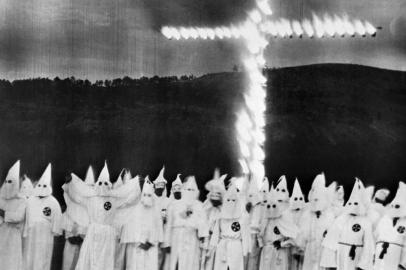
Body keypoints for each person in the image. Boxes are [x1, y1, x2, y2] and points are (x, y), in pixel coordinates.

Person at [63, 161, 141, 270]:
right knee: (90, 258)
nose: (102, 186)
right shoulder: (90, 199)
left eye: (105, 183)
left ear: (109, 185)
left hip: (108, 234)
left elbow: (128, 200)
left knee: (105, 261)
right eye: (100, 183)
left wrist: (136, 185)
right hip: (93, 231)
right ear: (96, 184)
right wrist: (71, 183)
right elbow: (76, 198)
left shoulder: (114, 200)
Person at [321, 178, 375, 270]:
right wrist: (330, 263)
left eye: (356, 203)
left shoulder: (365, 222)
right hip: (340, 255)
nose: (353, 206)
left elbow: (368, 245)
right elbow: (331, 242)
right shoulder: (341, 219)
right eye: (351, 203)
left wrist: (363, 265)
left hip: (356, 257)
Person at [163, 176, 209, 270]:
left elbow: (203, 224)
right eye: (188, 189)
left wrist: (202, 237)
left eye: (192, 190)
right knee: (175, 262)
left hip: (191, 237)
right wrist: (167, 243)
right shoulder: (174, 205)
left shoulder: (199, 206)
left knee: (190, 262)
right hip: (176, 236)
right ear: (183, 190)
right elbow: (169, 225)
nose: (190, 192)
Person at [24, 163, 63, 270]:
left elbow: (57, 219)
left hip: (45, 235)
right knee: (29, 256)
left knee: (42, 257)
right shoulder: (30, 200)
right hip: (31, 233)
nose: (41, 188)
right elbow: (26, 217)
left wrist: (55, 230)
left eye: (44, 186)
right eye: (40, 185)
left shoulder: (53, 202)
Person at [121, 179, 164, 270]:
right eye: (144, 195)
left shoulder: (156, 210)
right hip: (136, 246)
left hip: (151, 246)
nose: (147, 197)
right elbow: (129, 227)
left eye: (149, 195)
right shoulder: (135, 209)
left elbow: (158, 227)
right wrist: (138, 242)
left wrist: (151, 242)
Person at [296, 173, 335, 270]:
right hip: (310, 247)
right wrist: (301, 244)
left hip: (323, 248)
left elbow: (331, 232)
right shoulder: (307, 213)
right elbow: (303, 231)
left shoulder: (329, 214)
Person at [210, 182, 250, 270]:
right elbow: (216, 233)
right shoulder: (221, 216)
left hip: (236, 246)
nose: (231, 202)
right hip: (222, 246)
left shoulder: (242, 217)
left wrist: (245, 250)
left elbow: (245, 235)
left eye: (233, 200)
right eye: (228, 200)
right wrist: (212, 247)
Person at [61, 166, 95, 270]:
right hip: (71, 240)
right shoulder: (73, 205)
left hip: (86, 243)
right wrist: (70, 234)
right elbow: (66, 219)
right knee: (68, 264)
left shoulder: (94, 207)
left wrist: (83, 236)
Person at [258, 183, 298, 270]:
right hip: (266, 253)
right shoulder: (265, 220)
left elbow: (295, 237)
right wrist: (263, 245)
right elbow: (260, 235)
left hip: (279, 252)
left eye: (274, 206)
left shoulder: (283, 219)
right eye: (268, 206)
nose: (271, 209)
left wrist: (282, 244)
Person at [0, 161, 27, 270]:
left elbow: (18, 217)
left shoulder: (22, 200)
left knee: (11, 262)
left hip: (13, 235)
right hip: (1, 233)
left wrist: (2, 213)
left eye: (11, 182)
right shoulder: (0, 197)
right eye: (7, 181)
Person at [373, 181, 406, 270]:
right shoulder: (384, 219)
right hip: (380, 253)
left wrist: (403, 264)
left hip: (395, 256)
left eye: (398, 207)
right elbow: (375, 236)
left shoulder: (404, 222)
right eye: (394, 206)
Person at [203, 169, 227, 270]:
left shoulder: (224, 209)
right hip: (206, 238)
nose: (215, 197)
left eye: (217, 195)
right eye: (213, 195)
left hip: (218, 241)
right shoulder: (207, 207)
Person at [153, 166, 171, 270]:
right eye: (158, 185)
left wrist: (165, 217)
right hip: (153, 230)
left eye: (162, 185)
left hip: (163, 230)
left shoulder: (167, 200)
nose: (160, 187)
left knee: (161, 255)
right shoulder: (150, 198)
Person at [286, 178, 306, 270]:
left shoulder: (305, 212)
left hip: (302, 244)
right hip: (290, 244)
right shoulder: (288, 212)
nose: (298, 201)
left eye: (300, 199)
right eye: (296, 199)